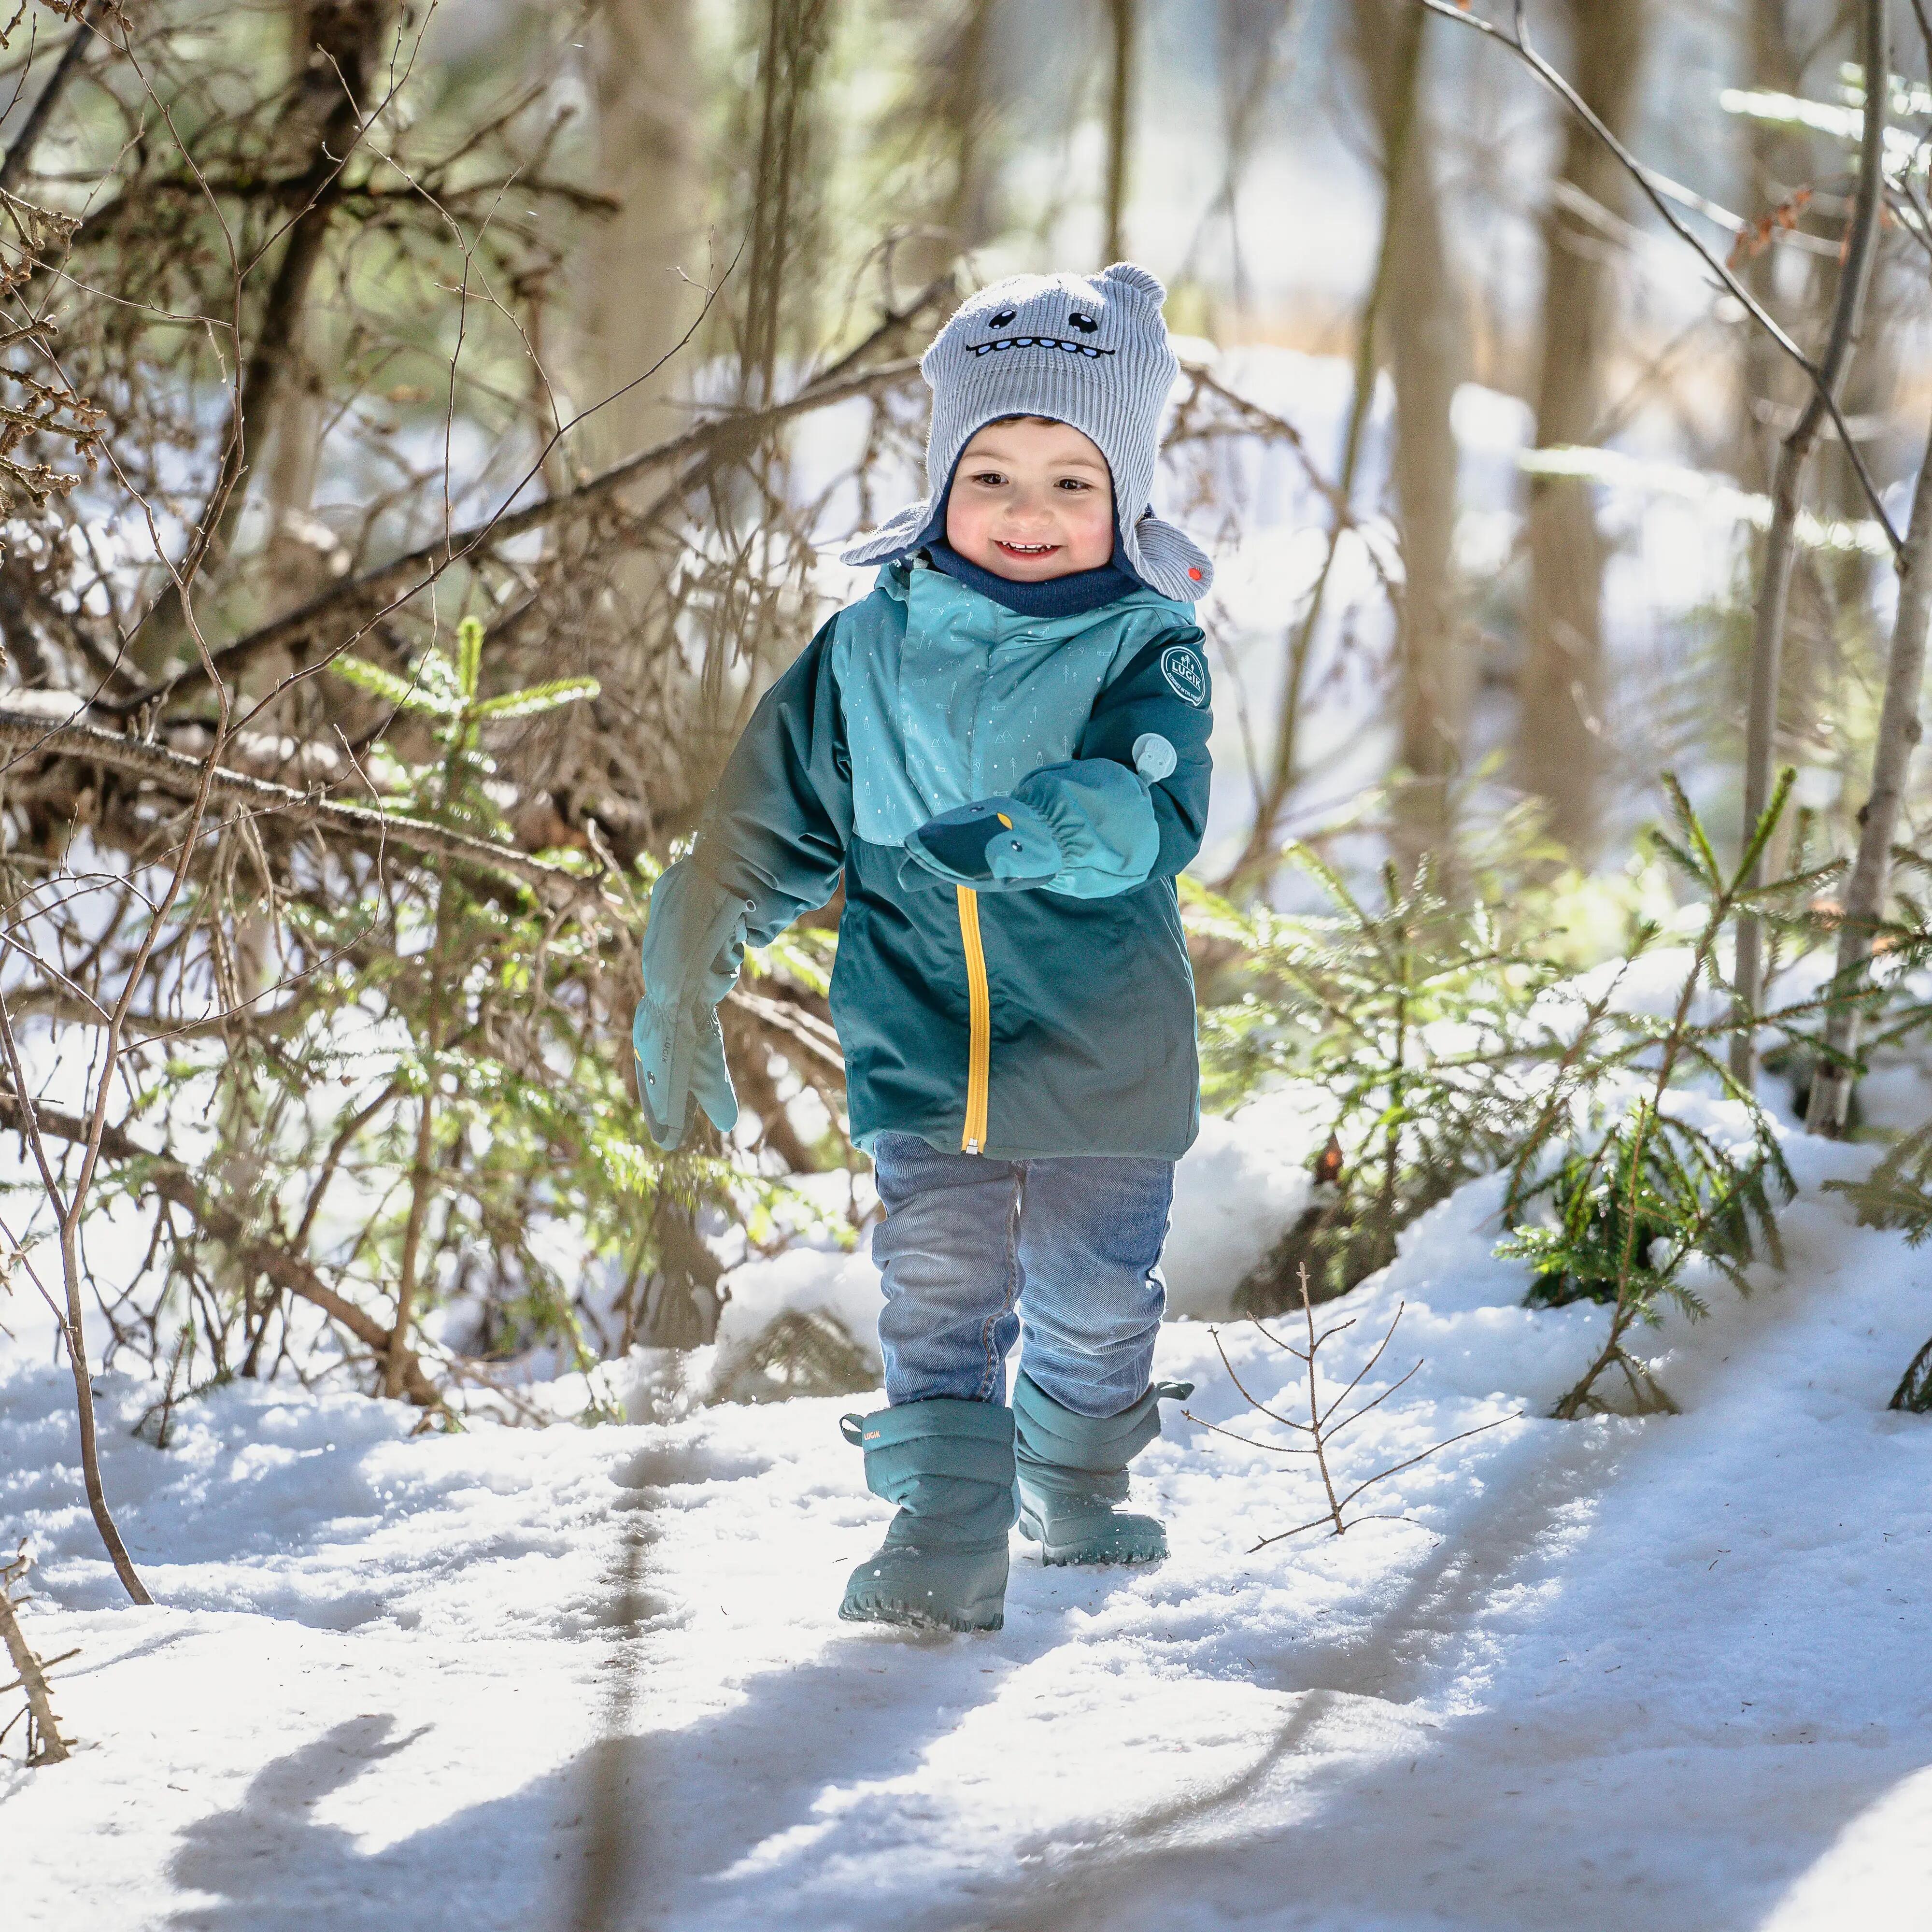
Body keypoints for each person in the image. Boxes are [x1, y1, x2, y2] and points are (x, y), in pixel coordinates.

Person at [633, 262, 1212, 1633]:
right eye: (992, 475)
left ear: (1124, 497)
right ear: (942, 481)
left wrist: (1048, 828)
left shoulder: (1152, 644)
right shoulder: (862, 650)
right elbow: (774, 818)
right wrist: (698, 935)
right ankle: (945, 1533)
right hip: (918, 1042)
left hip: (1103, 1047)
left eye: (1072, 482)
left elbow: (1157, 807)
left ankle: (1076, 1467)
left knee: (1087, 1289)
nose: (1027, 513)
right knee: (939, 1288)